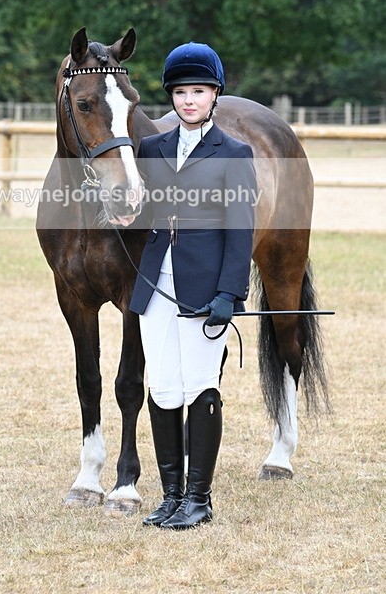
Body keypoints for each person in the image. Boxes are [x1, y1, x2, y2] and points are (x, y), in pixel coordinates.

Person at [129, 41, 256, 530]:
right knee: (161, 387)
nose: (188, 100)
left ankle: (199, 499)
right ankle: (171, 496)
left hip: (205, 287)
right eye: (181, 92)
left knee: (200, 385)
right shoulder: (150, 149)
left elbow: (240, 229)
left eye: (198, 91)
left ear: (215, 94)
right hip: (155, 285)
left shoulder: (235, 154)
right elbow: (137, 205)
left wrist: (230, 292)